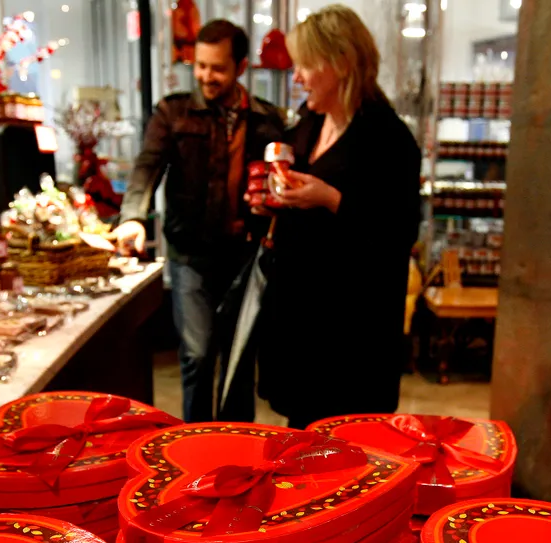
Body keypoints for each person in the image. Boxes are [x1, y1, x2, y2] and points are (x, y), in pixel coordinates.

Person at [255, 5, 421, 429]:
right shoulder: (309, 123)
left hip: (351, 335)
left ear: (342, 63)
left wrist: (333, 199)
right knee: (300, 442)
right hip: (301, 322)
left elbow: (399, 232)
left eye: (305, 66)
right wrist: (267, 199)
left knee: (346, 453)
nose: (296, 77)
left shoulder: (388, 138)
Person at [114, 20, 285, 423]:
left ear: (240, 67)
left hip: (246, 257)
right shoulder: (173, 112)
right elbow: (146, 167)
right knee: (197, 355)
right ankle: (196, 444)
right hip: (190, 254)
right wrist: (133, 217)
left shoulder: (267, 119)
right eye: (201, 66)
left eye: (218, 68)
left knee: (239, 360)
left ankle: (241, 448)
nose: (207, 76)